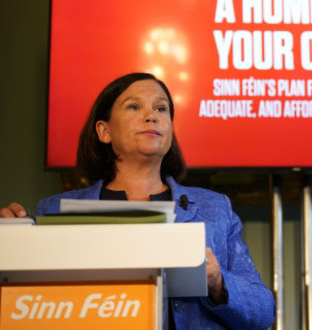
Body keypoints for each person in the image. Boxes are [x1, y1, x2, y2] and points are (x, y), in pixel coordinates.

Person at [1, 72, 275, 330]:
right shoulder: (53, 211)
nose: (151, 117)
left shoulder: (215, 210)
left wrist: (218, 283)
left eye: (161, 108)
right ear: (104, 131)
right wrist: (13, 242)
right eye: (134, 107)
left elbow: (264, 313)